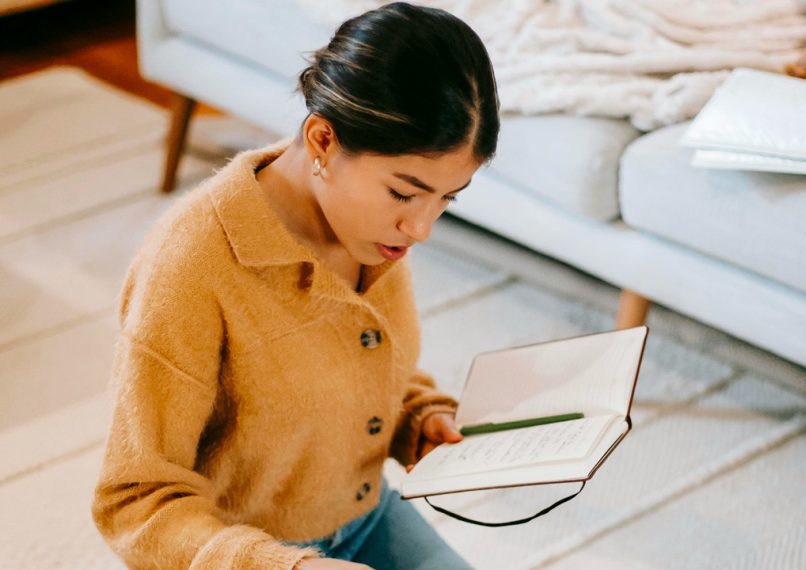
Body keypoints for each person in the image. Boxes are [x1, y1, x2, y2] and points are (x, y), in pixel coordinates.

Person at [90, 2, 500, 568]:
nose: (421, 229)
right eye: (404, 193)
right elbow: (134, 501)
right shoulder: (189, 265)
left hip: (364, 514)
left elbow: (359, 364)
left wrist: (419, 417)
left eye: (446, 198)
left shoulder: (372, 234)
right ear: (323, 140)